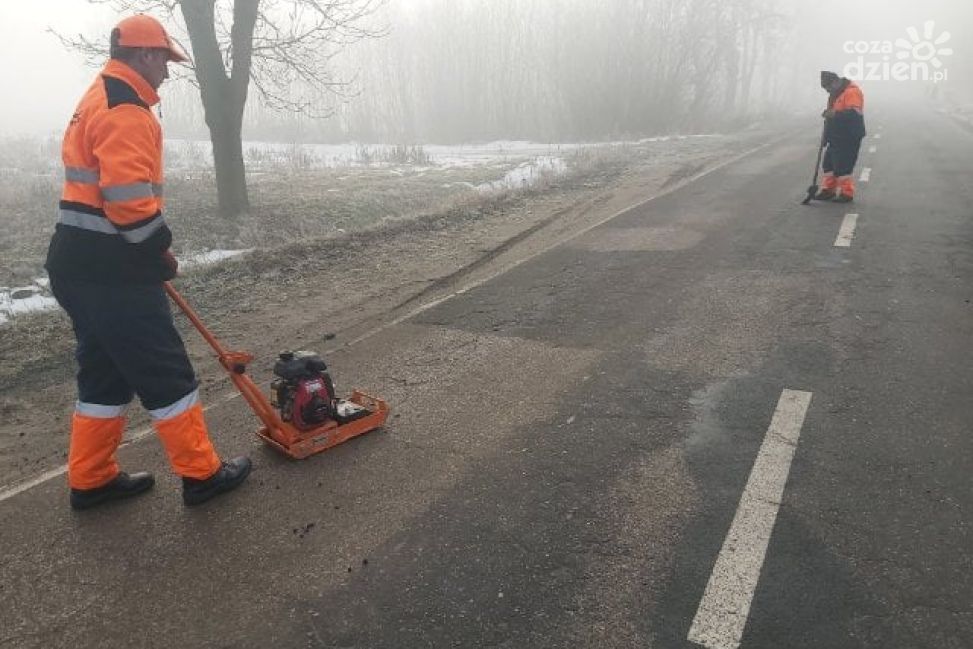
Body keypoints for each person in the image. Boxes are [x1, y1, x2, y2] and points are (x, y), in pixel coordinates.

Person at [45, 15, 251, 510]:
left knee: (104, 373)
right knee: (166, 371)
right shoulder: (126, 110)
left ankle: (91, 479)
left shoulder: (98, 94)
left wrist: (149, 252)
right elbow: (130, 204)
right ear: (143, 55)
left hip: (76, 263)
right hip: (111, 271)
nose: (167, 69)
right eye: (163, 58)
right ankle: (203, 475)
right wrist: (157, 249)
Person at [815, 71, 867, 203]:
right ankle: (828, 190)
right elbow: (831, 119)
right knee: (829, 164)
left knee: (843, 165)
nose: (827, 91)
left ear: (835, 82)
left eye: (828, 87)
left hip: (850, 135)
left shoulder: (852, 92)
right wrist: (826, 137)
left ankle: (846, 193)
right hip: (836, 135)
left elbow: (854, 114)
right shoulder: (834, 94)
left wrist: (834, 114)